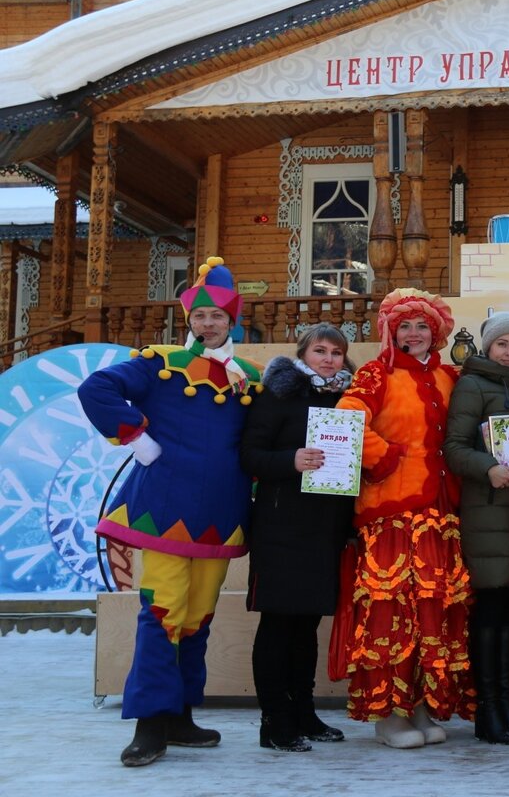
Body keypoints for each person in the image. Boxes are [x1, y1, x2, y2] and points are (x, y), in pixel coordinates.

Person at [78, 256, 262, 767]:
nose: (208, 324)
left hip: (221, 516)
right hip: (164, 512)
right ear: (190, 321)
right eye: (200, 316)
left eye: (217, 317)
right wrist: (137, 437)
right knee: (161, 614)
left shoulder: (248, 376)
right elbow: (96, 388)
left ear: (232, 321)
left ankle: (180, 712)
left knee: (199, 617)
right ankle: (149, 724)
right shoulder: (160, 363)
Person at [334, 288, 472, 749]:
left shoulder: (451, 377)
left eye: (422, 326)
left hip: (440, 511)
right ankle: (387, 716)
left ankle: (417, 707)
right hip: (390, 512)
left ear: (436, 333)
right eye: (405, 326)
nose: (413, 333)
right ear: (391, 332)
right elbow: (347, 416)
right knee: (390, 613)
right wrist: (384, 457)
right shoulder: (377, 373)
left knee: (430, 614)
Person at [239, 323, 356, 752]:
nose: (328, 359)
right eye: (319, 350)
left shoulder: (348, 400)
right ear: (303, 354)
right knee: (278, 624)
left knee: (306, 626)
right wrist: (291, 459)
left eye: (336, 352)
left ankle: (304, 713)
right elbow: (249, 454)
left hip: (324, 527)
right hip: (280, 525)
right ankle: (275, 721)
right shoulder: (277, 394)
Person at [443, 311, 509, 745]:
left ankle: (508, 708)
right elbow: (453, 448)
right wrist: (488, 469)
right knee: (490, 611)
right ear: (488, 346)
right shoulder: (471, 384)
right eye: (502, 344)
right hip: (488, 512)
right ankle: (488, 711)